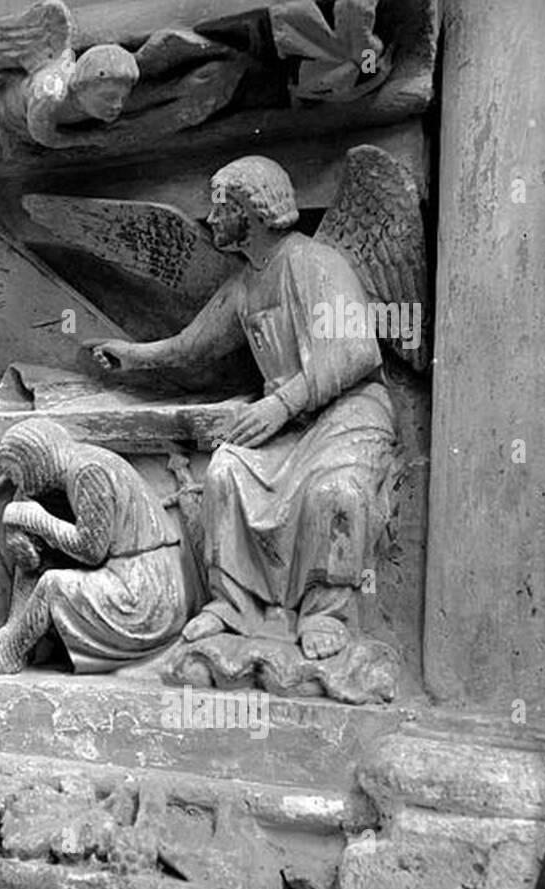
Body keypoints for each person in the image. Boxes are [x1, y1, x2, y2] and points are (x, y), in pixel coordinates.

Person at [84, 155, 396, 660]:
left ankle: (325, 610)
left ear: (251, 212)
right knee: (226, 471)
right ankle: (233, 604)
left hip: (349, 414)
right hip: (291, 423)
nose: (210, 220)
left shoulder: (314, 263)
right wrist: (133, 356)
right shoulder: (246, 283)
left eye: (220, 208)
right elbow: (191, 346)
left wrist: (280, 402)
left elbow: (359, 350)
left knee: (334, 491)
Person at [0, 418, 191, 675]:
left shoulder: (88, 471)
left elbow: (91, 551)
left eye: (16, 474)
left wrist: (38, 520)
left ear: (35, 462)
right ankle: (13, 630)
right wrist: (22, 532)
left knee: (53, 585)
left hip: (145, 592)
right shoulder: (73, 471)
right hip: (124, 575)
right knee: (40, 564)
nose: (17, 484)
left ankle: (9, 655)